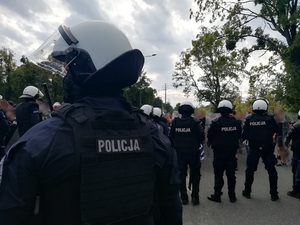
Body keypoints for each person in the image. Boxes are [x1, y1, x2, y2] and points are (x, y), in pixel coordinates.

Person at [0, 21, 182, 225]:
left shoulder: (40, 142)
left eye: (68, 69)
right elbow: (171, 212)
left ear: (87, 67)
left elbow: (10, 214)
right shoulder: (156, 137)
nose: (65, 77)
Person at [242, 99, 279, 201]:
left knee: (250, 171)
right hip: (267, 148)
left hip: (253, 148)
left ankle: (247, 191)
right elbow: (277, 130)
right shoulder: (270, 118)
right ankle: (274, 194)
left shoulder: (249, 119)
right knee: (272, 171)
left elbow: (244, 134)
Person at [170, 101, 205, 205]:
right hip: (193, 153)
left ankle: (184, 197)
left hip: (180, 153)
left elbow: (171, 137)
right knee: (195, 175)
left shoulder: (175, 122)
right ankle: (195, 197)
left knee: (181, 175)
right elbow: (201, 137)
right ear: (191, 111)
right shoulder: (195, 122)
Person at [207, 100, 242, 203]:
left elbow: (210, 136)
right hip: (231, 152)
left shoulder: (215, 122)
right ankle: (232, 196)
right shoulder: (236, 122)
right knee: (231, 175)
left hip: (219, 153)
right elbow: (239, 135)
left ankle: (217, 195)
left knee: (218, 174)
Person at [285, 110, 300, 199]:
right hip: (297, 151)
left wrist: (286, 145)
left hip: (297, 152)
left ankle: (296, 190)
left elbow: (288, 136)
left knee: (295, 171)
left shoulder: (296, 126)